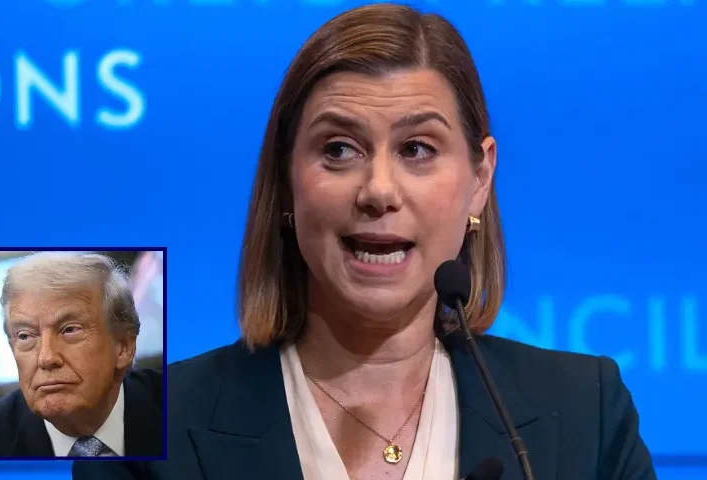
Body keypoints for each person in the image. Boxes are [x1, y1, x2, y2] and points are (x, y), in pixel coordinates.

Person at [73, 3, 656, 479]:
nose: (378, 190)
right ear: (284, 183)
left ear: (479, 180)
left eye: (417, 150)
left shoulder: (586, 414)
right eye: (339, 150)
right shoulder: (138, 432)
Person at [0, 252, 163, 458]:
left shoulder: (183, 407)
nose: (46, 358)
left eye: (70, 330)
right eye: (25, 335)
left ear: (124, 346)